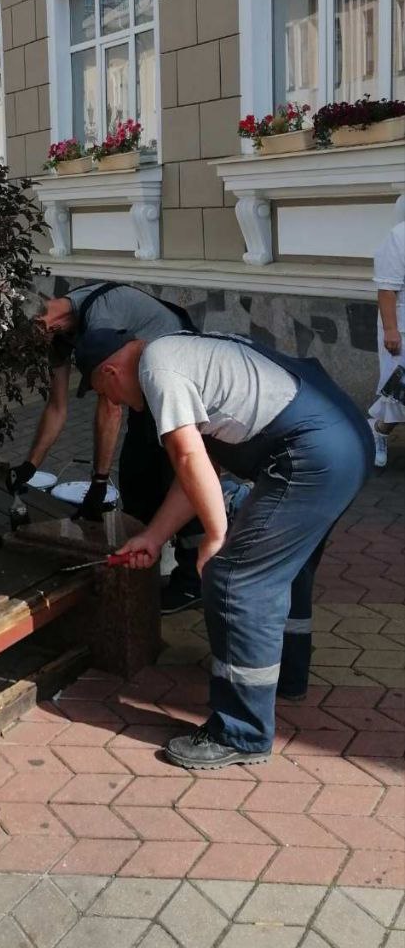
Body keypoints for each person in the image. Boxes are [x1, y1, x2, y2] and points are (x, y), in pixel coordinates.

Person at [76, 326, 371, 769]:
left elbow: (187, 458)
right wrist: (154, 536)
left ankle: (241, 732)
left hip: (312, 451)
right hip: (345, 440)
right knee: (284, 569)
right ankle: (284, 679)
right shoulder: (182, 349)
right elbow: (203, 465)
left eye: (105, 392)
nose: (114, 402)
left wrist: (216, 537)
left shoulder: (159, 369)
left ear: (110, 370)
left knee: (235, 579)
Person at [7, 282, 203, 613]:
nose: (29, 348)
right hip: (144, 386)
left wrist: (98, 483)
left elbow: (110, 404)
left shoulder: (100, 315)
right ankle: (151, 567)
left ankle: (193, 581)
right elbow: (57, 408)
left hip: (179, 374)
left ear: (42, 324)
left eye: (28, 339)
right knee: (136, 476)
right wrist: (29, 467)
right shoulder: (58, 338)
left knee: (172, 476)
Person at [369, 220, 405, 468]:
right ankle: (378, 430)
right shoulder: (399, 235)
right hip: (401, 328)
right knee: (399, 392)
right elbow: (386, 288)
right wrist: (391, 330)